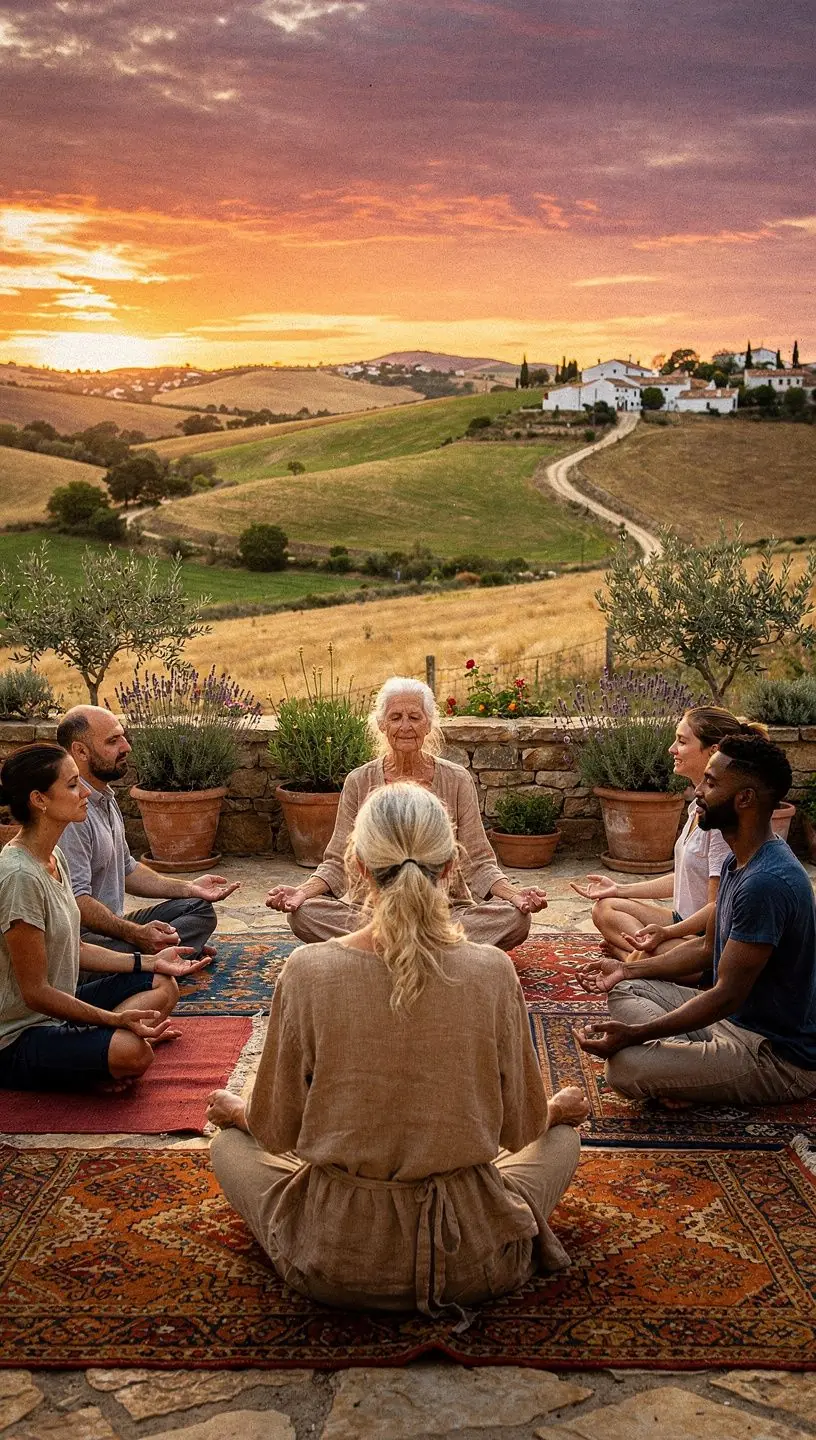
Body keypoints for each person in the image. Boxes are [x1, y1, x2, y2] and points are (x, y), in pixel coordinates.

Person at [208, 782, 588, 1316]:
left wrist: (239, 1114)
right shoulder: (493, 970)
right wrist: (554, 1111)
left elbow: (276, 1131)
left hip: (334, 1261)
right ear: (452, 867)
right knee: (562, 1137)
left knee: (228, 1146)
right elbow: (521, 1130)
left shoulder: (307, 970)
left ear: (358, 867)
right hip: (471, 1260)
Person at [574, 734, 816, 1107]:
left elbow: (724, 995)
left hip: (772, 1054)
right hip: (730, 1023)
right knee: (626, 988)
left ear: (745, 799)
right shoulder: (739, 858)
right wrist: (627, 971)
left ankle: (684, 1074)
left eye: (712, 782)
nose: (698, 791)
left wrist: (636, 1034)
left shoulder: (766, 882)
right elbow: (706, 949)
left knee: (625, 1069)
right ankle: (687, 1072)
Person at [266, 676, 547, 952]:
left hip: (443, 912)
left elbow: (479, 862)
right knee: (304, 914)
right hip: (374, 913)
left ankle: (385, 948)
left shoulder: (457, 779)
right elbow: (338, 861)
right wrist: (302, 892)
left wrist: (515, 896)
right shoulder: (358, 780)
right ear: (381, 724)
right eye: (396, 717)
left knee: (515, 918)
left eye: (414, 717)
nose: (405, 726)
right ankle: (436, 949)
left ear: (428, 724)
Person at [0, 743, 212, 1091]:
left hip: (58, 1016)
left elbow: (75, 947)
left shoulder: (53, 859)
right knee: (135, 1055)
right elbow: (35, 993)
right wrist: (115, 1020)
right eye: (71, 785)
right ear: (39, 800)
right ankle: (93, 1062)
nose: (84, 791)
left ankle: (93, 1053)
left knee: (162, 983)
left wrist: (148, 962)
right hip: (19, 1036)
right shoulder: (19, 877)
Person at [571, 707, 767, 962]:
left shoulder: (721, 821)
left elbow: (716, 909)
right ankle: (644, 957)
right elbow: (687, 875)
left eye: (682, 741)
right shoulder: (698, 804)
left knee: (645, 951)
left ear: (713, 750)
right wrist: (619, 889)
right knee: (606, 908)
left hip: (703, 940)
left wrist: (666, 933)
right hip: (681, 923)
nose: (671, 749)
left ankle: (637, 957)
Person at [56, 706, 239, 958]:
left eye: (123, 736)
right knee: (154, 968)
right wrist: (134, 933)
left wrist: (189, 888)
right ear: (80, 751)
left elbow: (127, 869)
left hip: (113, 929)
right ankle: (157, 958)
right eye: (113, 740)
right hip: (84, 942)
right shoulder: (72, 811)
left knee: (198, 908)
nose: (126, 747)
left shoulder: (104, 796)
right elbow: (77, 901)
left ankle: (161, 953)